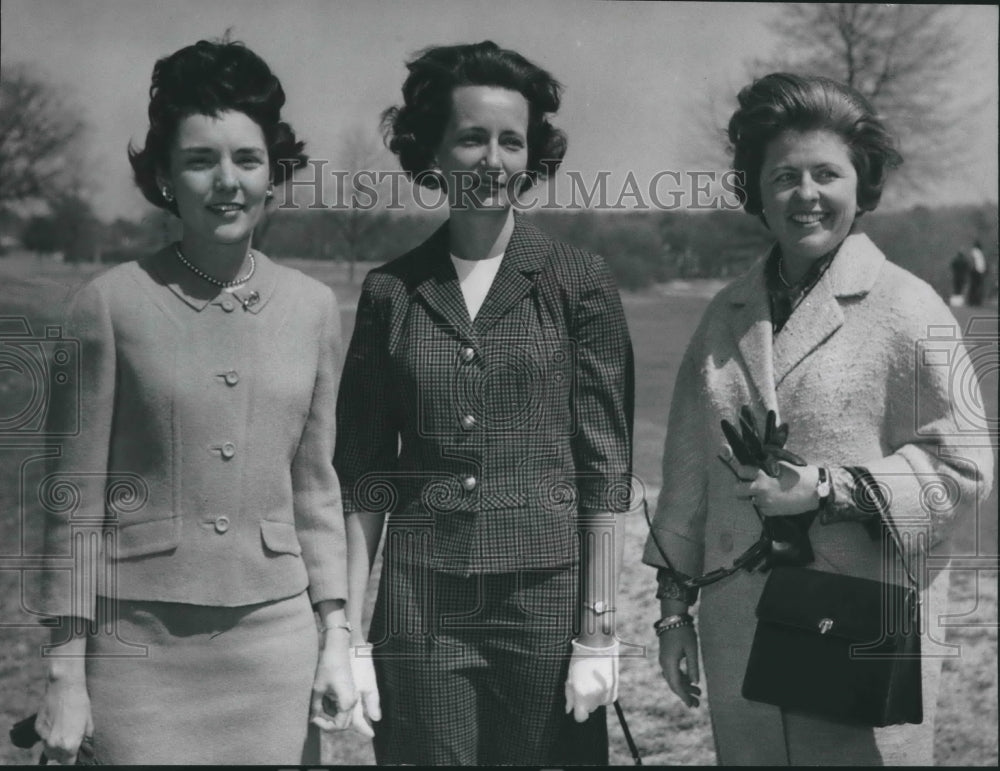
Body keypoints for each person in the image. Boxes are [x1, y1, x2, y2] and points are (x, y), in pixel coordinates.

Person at [643, 72, 994, 765]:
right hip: (739, 633)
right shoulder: (725, 315)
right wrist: (672, 615)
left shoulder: (908, 306)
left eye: (826, 174)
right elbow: (685, 484)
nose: (806, 195)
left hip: (857, 631)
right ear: (758, 193)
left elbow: (965, 467)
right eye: (783, 177)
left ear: (861, 185)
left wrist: (832, 488)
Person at [30, 38, 361, 765]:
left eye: (246, 159)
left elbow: (316, 492)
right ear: (163, 178)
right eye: (199, 160)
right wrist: (64, 672)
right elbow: (72, 504)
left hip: (275, 651)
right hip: (137, 656)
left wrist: (337, 635)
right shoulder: (109, 305)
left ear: (274, 174)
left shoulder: (312, 309)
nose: (227, 181)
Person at [334, 40, 635, 765]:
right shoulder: (390, 291)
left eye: (511, 140)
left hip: (546, 604)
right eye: (471, 137)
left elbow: (606, 471)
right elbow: (363, 474)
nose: (491, 160)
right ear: (433, 151)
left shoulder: (579, 283)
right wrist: (347, 633)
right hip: (421, 606)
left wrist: (596, 628)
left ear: (531, 157)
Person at [967, 239, 987, 306]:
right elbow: (978, 263)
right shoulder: (978, 252)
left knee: (974, 287)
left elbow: (972, 262)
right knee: (976, 287)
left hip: (975, 271)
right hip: (977, 271)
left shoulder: (974, 251)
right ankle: (975, 301)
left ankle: (972, 301)